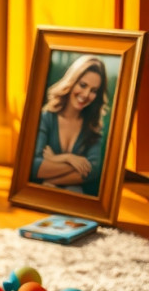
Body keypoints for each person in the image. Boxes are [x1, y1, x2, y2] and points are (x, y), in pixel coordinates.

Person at [29, 56, 109, 196]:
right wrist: (68, 158)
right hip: (39, 197)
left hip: (72, 198)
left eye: (94, 90)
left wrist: (53, 165)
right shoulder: (46, 118)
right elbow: (34, 167)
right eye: (83, 85)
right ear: (71, 82)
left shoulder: (94, 126)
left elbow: (93, 170)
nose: (86, 94)